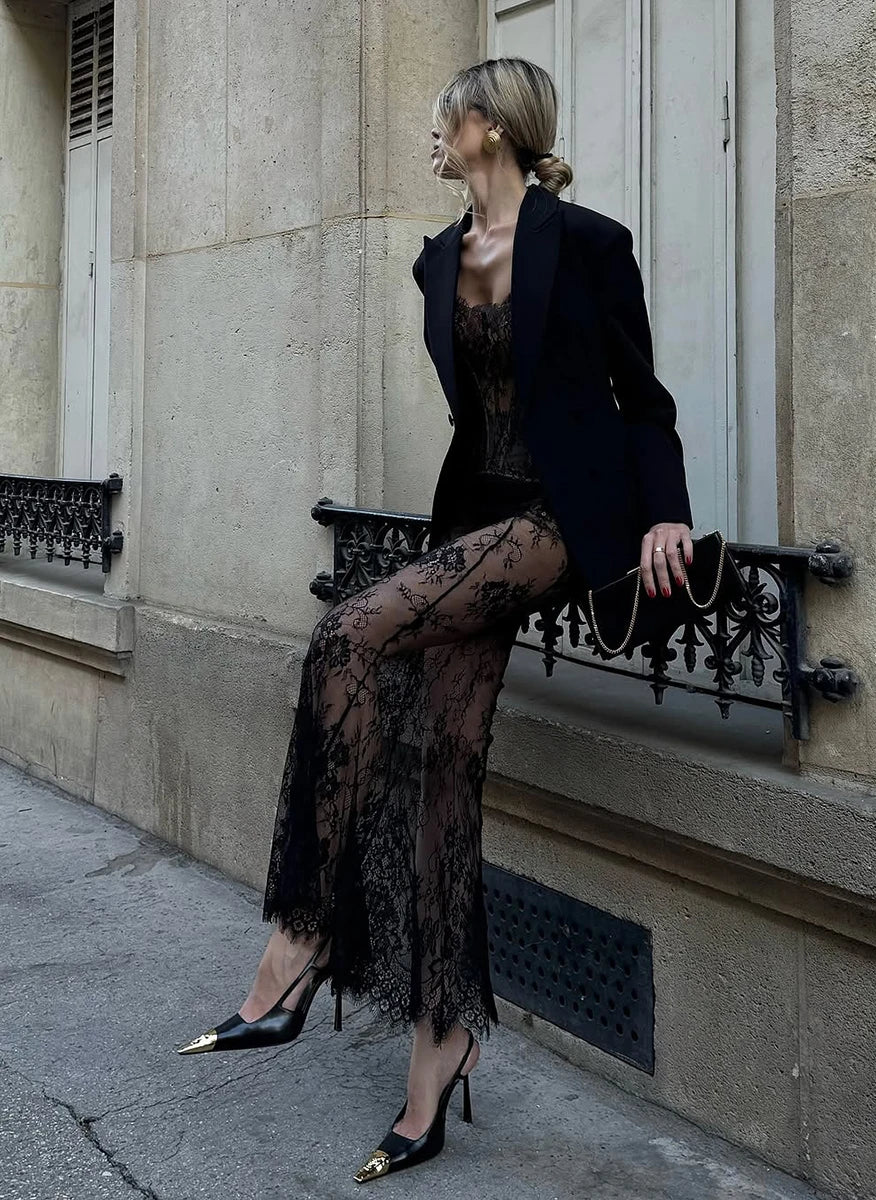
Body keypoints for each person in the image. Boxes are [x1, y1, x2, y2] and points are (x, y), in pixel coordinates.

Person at [175, 56, 693, 1184]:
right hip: (479, 524)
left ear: (489, 126)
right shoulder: (435, 261)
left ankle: (305, 934)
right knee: (438, 777)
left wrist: (668, 520)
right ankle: (437, 1054)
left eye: (445, 119)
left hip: (563, 521)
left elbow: (641, 402)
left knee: (347, 634)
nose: (433, 135)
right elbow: (478, 415)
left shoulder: (589, 241)